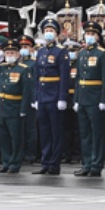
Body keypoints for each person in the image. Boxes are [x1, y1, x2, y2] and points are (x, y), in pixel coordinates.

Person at [31, 18, 70, 176]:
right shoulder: (40, 52)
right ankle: (45, 162)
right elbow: (36, 76)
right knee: (44, 131)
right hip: (42, 96)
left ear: (57, 34)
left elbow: (64, 77)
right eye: (46, 31)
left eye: (51, 31)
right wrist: (35, 96)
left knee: (55, 132)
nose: (48, 34)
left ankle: (54, 164)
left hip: (54, 96)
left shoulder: (61, 52)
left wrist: (62, 98)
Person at [72, 22, 105, 177]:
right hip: (82, 97)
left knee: (97, 133)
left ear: (98, 37)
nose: (89, 37)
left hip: (95, 98)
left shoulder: (102, 54)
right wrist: (76, 99)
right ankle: (86, 163)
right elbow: (78, 78)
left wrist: (104, 100)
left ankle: (96, 164)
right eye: (87, 34)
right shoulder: (81, 54)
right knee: (85, 133)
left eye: (93, 34)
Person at [0, 38, 31, 173]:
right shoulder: (1, 68)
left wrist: (23, 109)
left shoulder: (23, 69)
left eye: (12, 52)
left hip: (15, 107)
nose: (9, 55)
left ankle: (15, 163)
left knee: (15, 138)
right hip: (3, 106)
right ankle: (6, 162)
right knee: (4, 137)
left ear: (18, 54)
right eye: (7, 52)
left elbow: (27, 91)